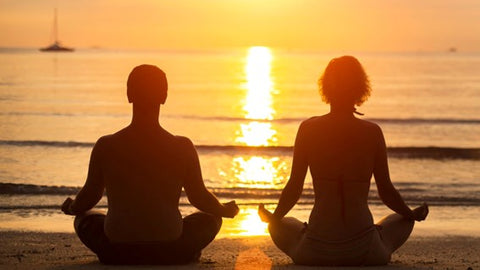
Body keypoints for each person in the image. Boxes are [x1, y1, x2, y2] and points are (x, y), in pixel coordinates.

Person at [258, 56, 428, 266]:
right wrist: (410, 213)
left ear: (326, 87)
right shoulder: (372, 132)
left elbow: (294, 186)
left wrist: (274, 217)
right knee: (403, 220)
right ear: (361, 88)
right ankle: (378, 234)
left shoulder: (308, 129)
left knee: (281, 224)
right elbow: (386, 191)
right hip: (366, 251)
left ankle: (300, 232)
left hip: (314, 250)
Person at [61, 64, 239, 265]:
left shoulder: (106, 145)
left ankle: (113, 255)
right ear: (164, 97)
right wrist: (223, 210)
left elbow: (89, 196)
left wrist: (73, 207)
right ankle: (185, 253)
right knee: (211, 217)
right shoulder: (182, 146)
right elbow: (198, 197)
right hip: (170, 247)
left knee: (84, 218)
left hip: (118, 248)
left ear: (129, 95)